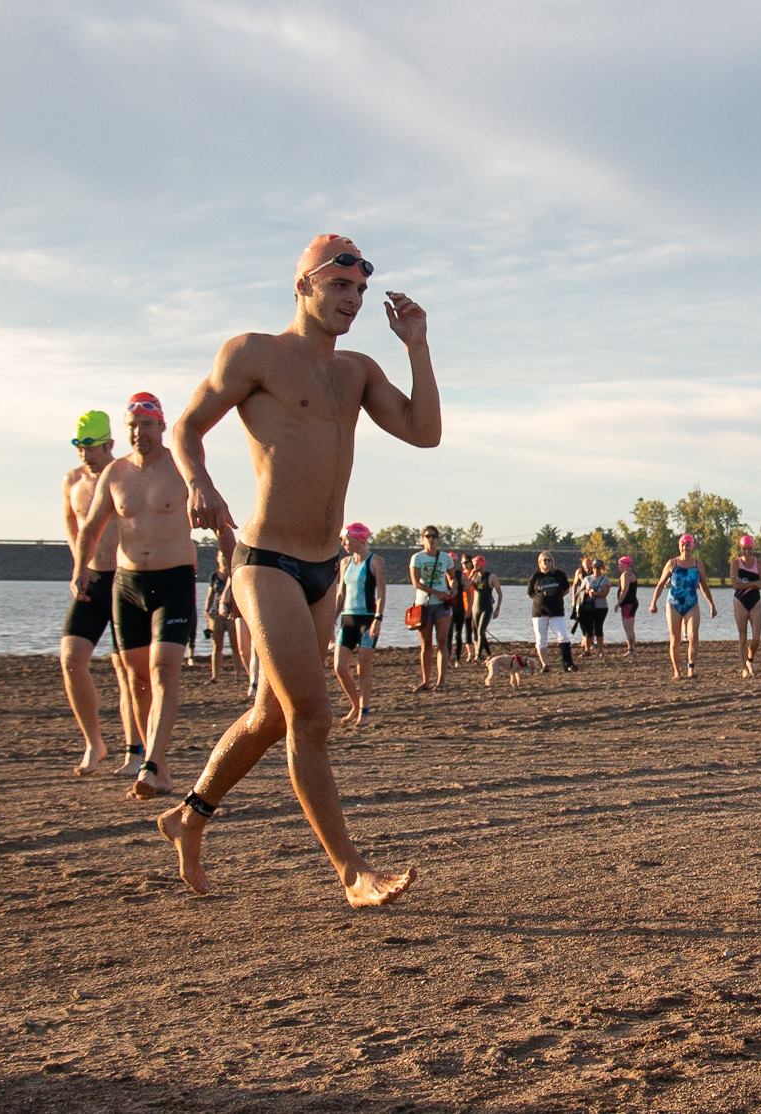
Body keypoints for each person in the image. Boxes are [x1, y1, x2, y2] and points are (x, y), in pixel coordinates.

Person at [157, 233, 435, 908]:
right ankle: (352, 874)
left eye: (362, 291)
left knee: (269, 718)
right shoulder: (253, 353)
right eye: (340, 286)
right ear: (304, 286)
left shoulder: (357, 373)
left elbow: (424, 432)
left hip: (324, 568)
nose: (354, 300)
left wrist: (417, 346)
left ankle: (187, 816)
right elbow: (186, 428)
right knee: (311, 715)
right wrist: (199, 484)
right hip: (265, 560)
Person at [73, 393, 206, 800]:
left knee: (164, 667)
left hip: (174, 579)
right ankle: (156, 762)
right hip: (127, 583)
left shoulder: (181, 467)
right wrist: (80, 569)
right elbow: (91, 526)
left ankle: (152, 762)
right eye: (132, 426)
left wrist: (230, 563)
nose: (139, 432)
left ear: (161, 427)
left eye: (146, 425)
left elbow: (211, 505)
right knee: (136, 678)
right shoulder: (115, 474)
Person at [61, 410, 144, 778]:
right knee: (71, 657)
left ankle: (135, 750)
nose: (85, 455)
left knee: (127, 670)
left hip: (125, 577)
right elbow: (71, 521)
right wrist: (78, 564)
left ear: (110, 443)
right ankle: (94, 742)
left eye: (92, 447)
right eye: (80, 447)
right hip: (92, 578)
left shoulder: (125, 473)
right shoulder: (73, 480)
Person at [332, 521, 385, 726]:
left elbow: (381, 593)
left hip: (367, 620)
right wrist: (331, 621)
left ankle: (364, 710)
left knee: (363, 667)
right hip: (348, 619)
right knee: (339, 667)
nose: (343, 542)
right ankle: (355, 704)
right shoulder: (345, 563)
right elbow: (340, 595)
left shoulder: (375, 562)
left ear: (357, 538)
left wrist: (378, 619)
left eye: (345, 538)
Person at [649, 533, 717, 680]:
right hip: (673, 604)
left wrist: (711, 604)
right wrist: (653, 602)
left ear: (692, 547)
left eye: (688, 545)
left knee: (693, 636)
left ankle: (691, 668)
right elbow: (660, 584)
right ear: (679, 546)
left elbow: (703, 585)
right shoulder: (672, 563)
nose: (685, 547)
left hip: (691, 604)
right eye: (682, 545)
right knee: (675, 638)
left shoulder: (697, 564)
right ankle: (677, 671)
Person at [408, 526, 455, 692]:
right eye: (428, 536)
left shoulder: (445, 558)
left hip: (442, 605)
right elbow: (416, 583)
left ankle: (441, 681)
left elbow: (451, 577)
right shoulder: (417, 558)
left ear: (438, 539)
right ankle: (425, 681)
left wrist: (452, 588)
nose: (431, 539)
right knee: (425, 644)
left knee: (442, 642)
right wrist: (436, 592)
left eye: (434, 536)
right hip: (424, 604)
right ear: (422, 539)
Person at [527, 550, 576, 672]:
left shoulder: (559, 575)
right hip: (539, 613)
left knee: (563, 636)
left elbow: (565, 589)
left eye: (549, 560)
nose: (547, 562)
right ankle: (545, 664)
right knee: (540, 639)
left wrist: (555, 599)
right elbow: (531, 593)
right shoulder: (536, 577)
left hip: (556, 612)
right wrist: (541, 600)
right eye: (544, 560)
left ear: (552, 562)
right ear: (539, 562)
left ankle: (568, 664)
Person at [729, 535, 761, 678]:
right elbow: (735, 585)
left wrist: (745, 583)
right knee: (742, 637)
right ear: (741, 549)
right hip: (740, 601)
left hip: (755, 601)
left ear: (753, 548)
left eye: (749, 549)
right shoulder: (736, 564)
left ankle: (750, 659)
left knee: (756, 637)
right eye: (744, 549)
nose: (747, 552)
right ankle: (744, 668)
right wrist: (753, 583)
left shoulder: (759, 564)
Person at [205, 549, 233, 683]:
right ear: (217, 558)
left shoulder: (233, 574)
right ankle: (215, 676)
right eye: (221, 556)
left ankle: (239, 676)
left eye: (224, 556)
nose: (223, 559)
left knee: (236, 646)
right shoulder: (214, 576)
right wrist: (206, 611)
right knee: (217, 646)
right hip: (216, 614)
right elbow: (210, 595)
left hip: (231, 614)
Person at [468, 555, 501, 662]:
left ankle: (478, 655)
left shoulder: (491, 576)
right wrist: (470, 575)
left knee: (481, 630)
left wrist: (497, 608)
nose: (475, 566)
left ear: (482, 564)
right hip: (475, 608)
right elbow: (466, 587)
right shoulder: (473, 575)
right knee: (478, 632)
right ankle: (489, 654)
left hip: (486, 608)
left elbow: (499, 593)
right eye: (473, 564)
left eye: (477, 564)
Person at [580, 558, 611, 657]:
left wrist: (595, 594)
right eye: (594, 567)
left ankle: (601, 650)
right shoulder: (587, 579)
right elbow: (580, 593)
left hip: (600, 607)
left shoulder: (605, 579)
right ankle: (587, 650)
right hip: (588, 607)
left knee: (598, 628)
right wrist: (587, 591)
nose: (596, 570)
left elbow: (605, 593)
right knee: (588, 629)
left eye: (598, 568)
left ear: (602, 569)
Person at [446, 552, 470, 665]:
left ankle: (457, 659)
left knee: (458, 634)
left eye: (454, 562)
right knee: (448, 634)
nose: (452, 564)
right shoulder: (442, 574)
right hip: (447, 608)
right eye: (450, 561)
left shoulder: (461, 575)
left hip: (459, 608)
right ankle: (448, 659)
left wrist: (468, 609)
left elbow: (469, 592)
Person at [615, 555, 640, 657]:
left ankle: (631, 649)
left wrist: (619, 603)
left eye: (620, 564)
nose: (618, 566)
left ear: (625, 565)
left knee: (628, 627)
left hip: (627, 604)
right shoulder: (631, 574)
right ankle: (632, 649)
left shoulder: (625, 575)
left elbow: (624, 590)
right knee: (630, 627)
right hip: (633, 603)